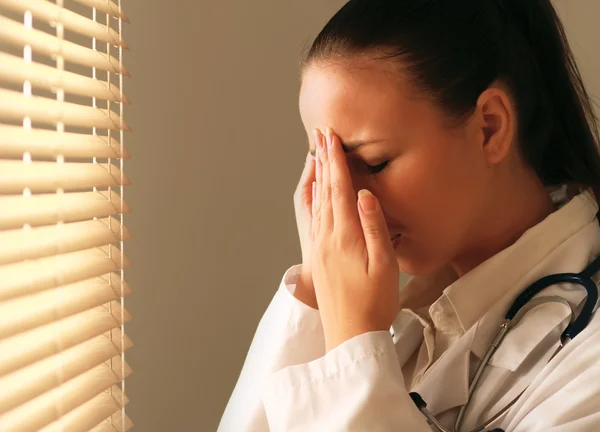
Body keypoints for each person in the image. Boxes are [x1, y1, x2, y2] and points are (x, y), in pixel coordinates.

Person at [218, 0, 600, 430]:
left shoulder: (589, 356)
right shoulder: (413, 321)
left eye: (375, 162)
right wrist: (315, 292)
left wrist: (354, 344)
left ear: (489, 128)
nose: (347, 198)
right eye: (328, 168)